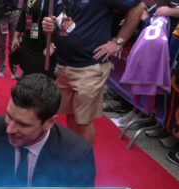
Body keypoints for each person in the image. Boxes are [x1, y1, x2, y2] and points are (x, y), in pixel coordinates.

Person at [42, 0, 144, 144]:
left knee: (83, 121)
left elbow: (138, 7)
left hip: (89, 67)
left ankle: (84, 160)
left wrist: (118, 42)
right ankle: (74, 153)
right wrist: (50, 28)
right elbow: (64, 24)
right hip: (64, 66)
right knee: (72, 115)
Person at [11, 0, 57, 79]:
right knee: (27, 73)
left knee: (43, 78)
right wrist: (16, 36)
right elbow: (24, 15)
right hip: (28, 42)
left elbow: (61, 27)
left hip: (44, 46)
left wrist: (53, 45)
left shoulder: (55, 2)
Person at [0, 0, 21, 79]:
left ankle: (14, 69)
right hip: (1, 15)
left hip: (15, 13)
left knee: (12, 43)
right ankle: (1, 67)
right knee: (1, 44)